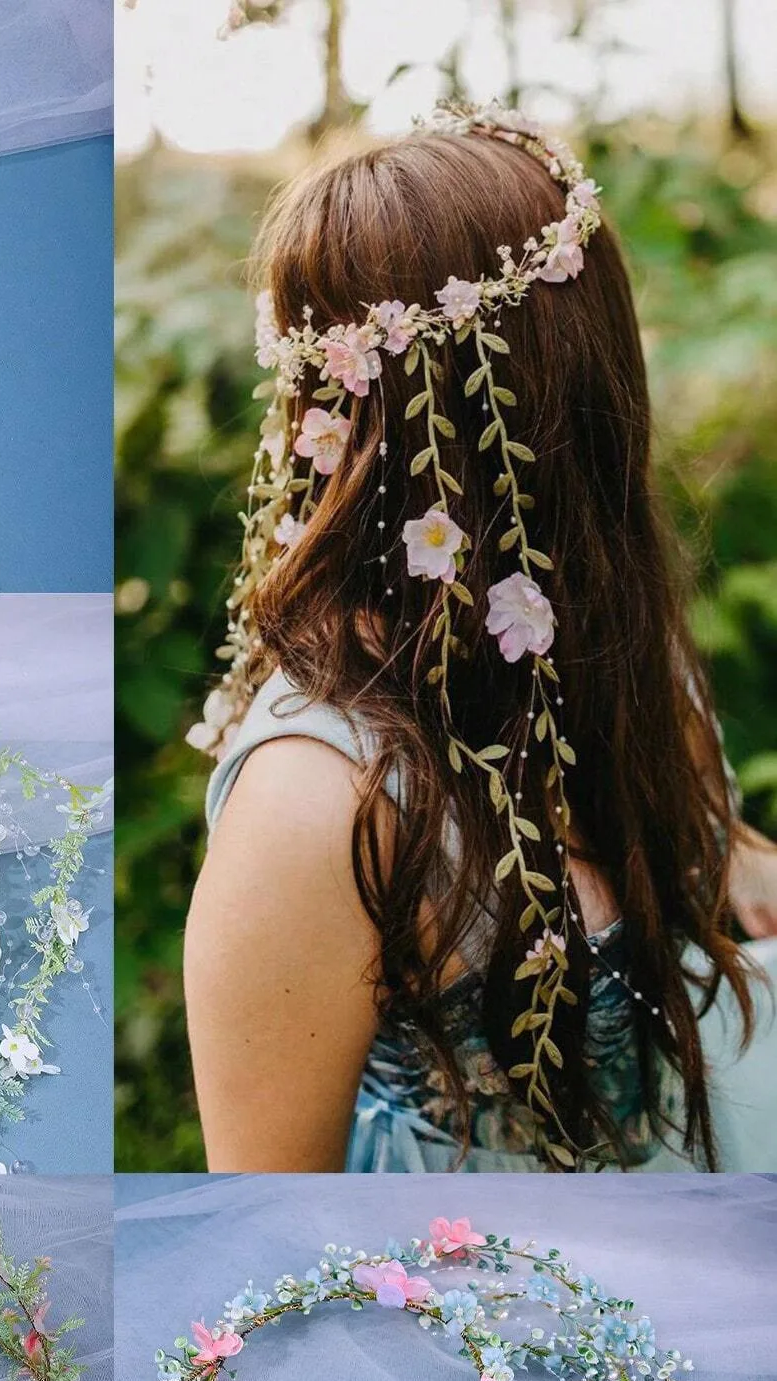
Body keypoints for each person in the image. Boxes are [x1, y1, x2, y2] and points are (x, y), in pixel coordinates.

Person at [184, 106, 777, 1174]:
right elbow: (266, 1222)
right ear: (573, 376)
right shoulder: (313, 803)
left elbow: (687, 814)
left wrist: (718, 849)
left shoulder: (614, 635)